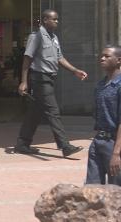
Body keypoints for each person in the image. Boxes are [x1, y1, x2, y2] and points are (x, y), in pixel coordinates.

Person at [15, 9, 88, 157]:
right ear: (44, 20)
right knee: (53, 112)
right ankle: (64, 145)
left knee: (35, 113)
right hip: (40, 79)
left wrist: (74, 70)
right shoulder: (36, 37)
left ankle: (22, 143)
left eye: (57, 19)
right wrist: (23, 81)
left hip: (49, 79)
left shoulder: (54, 38)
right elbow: (27, 59)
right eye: (54, 19)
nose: (57, 22)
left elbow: (60, 58)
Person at [85, 45, 121, 185]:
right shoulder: (101, 85)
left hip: (114, 144)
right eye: (101, 55)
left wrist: (117, 153)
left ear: (119, 60)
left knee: (116, 190)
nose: (102, 58)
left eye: (107, 56)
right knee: (91, 189)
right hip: (98, 141)